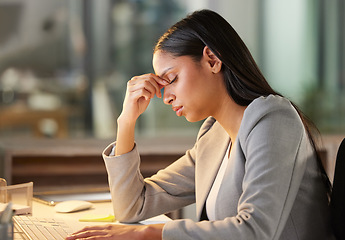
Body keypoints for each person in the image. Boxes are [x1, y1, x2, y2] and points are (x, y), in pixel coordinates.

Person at [66, 9, 334, 240]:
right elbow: (133, 206)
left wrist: (150, 234)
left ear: (212, 60)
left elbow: (256, 231)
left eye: (171, 79)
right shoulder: (214, 136)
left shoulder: (273, 119)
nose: (165, 96)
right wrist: (126, 121)